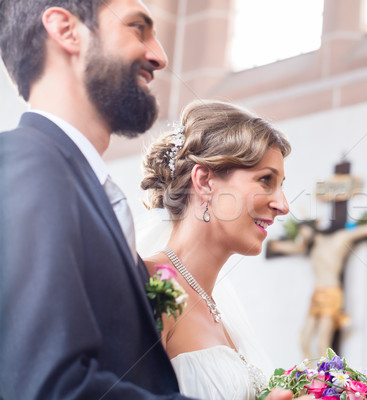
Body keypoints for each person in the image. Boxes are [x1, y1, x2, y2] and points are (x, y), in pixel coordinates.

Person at [0, 1, 297, 399]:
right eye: (138, 29)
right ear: (65, 30)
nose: (160, 55)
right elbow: (43, 383)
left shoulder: (90, 188)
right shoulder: (27, 162)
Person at [139, 99, 292, 399]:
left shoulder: (224, 314)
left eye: (281, 185)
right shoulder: (151, 283)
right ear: (205, 181)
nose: (283, 205)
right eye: (265, 180)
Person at [266, 211, 367, 360]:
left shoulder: (339, 239)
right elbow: (283, 247)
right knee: (304, 339)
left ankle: (324, 381)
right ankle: (307, 378)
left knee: (322, 343)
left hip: (331, 293)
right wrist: (274, 244)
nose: (302, 236)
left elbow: (366, 230)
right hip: (317, 295)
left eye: (303, 231)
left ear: (312, 227)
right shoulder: (310, 248)